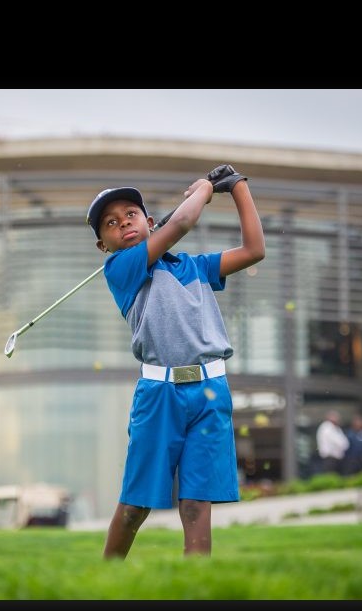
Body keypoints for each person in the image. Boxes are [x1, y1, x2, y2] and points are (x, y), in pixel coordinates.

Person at [93, 164, 264, 559]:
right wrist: (205, 188)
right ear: (104, 244)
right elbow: (184, 221)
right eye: (111, 223)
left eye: (131, 216)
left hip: (210, 392)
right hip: (159, 394)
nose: (123, 224)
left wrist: (237, 187)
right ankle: (104, 577)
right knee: (137, 504)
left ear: (150, 222)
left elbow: (255, 250)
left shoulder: (196, 267)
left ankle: (195, 584)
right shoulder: (121, 268)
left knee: (196, 503)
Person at [315, 410, 349, 475]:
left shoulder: (336, 428)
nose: (337, 419)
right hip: (329, 459)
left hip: (336, 459)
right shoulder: (327, 427)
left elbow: (345, 444)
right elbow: (339, 442)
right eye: (335, 417)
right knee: (330, 477)